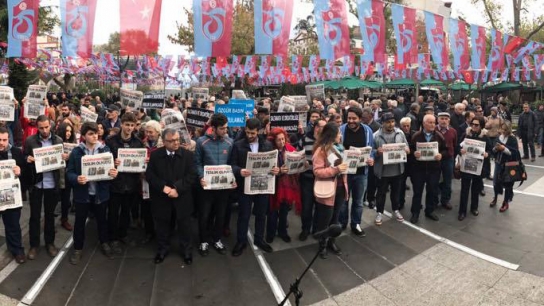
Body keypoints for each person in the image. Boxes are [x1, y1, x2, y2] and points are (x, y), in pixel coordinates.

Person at [67, 122, 118, 264]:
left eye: (95, 133)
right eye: (90, 133)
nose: (94, 136)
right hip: (82, 195)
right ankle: (78, 248)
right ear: (83, 136)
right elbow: (69, 172)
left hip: (100, 194)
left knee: (102, 220)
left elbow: (112, 170)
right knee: (79, 222)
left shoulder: (105, 150)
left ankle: (104, 243)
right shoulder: (77, 152)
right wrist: (77, 178)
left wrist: (114, 172)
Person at [146, 128, 196, 264]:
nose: (175, 143)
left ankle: (186, 251)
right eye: (171, 141)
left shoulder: (188, 155)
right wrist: (164, 187)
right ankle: (162, 249)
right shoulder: (156, 155)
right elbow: (150, 175)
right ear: (164, 141)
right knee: (162, 226)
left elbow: (191, 175)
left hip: (182, 198)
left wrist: (177, 189)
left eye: (177, 140)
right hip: (162, 198)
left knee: (185, 226)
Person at [230, 118, 280, 256]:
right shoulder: (238, 145)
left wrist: (275, 170)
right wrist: (240, 171)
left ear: (258, 131)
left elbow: (273, 164)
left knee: (261, 214)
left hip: (263, 186)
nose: (250, 136)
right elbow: (232, 164)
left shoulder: (268, 145)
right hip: (245, 186)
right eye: (247, 132)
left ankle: (259, 239)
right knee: (244, 215)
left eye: (252, 133)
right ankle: (241, 241)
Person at [24, 115, 67, 259]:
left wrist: (64, 159)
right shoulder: (30, 141)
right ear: (37, 127)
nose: (44, 130)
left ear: (51, 126)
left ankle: (50, 243)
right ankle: (34, 245)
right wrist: (27, 159)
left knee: (50, 215)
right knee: (34, 216)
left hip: (52, 184)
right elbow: (24, 158)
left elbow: (61, 165)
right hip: (36, 184)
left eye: (46, 127)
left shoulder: (58, 141)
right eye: (41, 128)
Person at [195, 113, 234, 256]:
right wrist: (201, 177)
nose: (226, 131)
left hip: (223, 188)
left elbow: (231, 164)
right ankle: (203, 241)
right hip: (206, 188)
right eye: (222, 128)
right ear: (214, 128)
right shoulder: (201, 142)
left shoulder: (230, 142)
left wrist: (232, 179)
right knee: (204, 215)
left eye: (226, 128)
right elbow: (197, 163)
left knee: (221, 215)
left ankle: (217, 239)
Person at [105, 112, 145, 254]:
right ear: (121, 124)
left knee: (126, 212)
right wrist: (112, 162)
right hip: (116, 184)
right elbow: (105, 161)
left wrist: (143, 162)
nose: (129, 128)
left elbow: (141, 164)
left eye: (132, 125)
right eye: (127, 125)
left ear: (135, 126)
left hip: (131, 184)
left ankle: (123, 234)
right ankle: (113, 237)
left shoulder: (138, 143)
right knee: (113, 212)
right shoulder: (111, 142)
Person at [312, 122, 348, 258]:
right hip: (326, 190)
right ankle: (322, 245)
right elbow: (317, 171)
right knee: (324, 220)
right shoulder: (321, 151)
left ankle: (332, 241)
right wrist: (336, 169)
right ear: (332, 135)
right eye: (339, 133)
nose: (341, 135)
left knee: (335, 218)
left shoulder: (340, 148)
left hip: (339, 188)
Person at [339, 107, 374, 236]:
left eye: (354, 118)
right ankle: (342, 222)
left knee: (358, 201)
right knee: (344, 200)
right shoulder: (341, 130)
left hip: (361, 173)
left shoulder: (367, 131)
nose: (351, 121)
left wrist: (372, 159)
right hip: (345, 173)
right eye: (349, 118)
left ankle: (356, 224)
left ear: (360, 119)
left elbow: (373, 149)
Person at [372, 113, 409, 225]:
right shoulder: (376, 135)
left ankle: (396, 210)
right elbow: (370, 152)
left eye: (392, 122)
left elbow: (406, 145)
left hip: (397, 169)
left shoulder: (400, 133)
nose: (391, 124)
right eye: (388, 122)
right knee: (381, 193)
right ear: (382, 123)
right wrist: (376, 152)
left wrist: (406, 149)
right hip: (382, 171)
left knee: (396, 192)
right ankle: (379, 212)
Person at [409, 114, 447, 224]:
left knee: (432, 190)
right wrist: (413, 153)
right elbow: (410, 149)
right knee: (417, 192)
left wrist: (441, 155)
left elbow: (445, 150)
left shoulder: (439, 136)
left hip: (433, 169)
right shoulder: (416, 136)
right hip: (419, 169)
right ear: (424, 123)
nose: (432, 125)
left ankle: (429, 211)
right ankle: (415, 213)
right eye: (430, 122)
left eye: (434, 122)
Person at [266, 128, 301, 244]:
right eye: (278, 140)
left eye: (283, 139)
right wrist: (278, 170)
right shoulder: (269, 151)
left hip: (287, 186)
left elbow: (297, 164)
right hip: (274, 185)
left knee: (284, 210)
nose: (281, 142)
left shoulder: (290, 149)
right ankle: (270, 233)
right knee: (272, 211)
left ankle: (282, 232)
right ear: (273, 141)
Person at [0, 127, 26, 264]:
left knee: (13, 225)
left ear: (8, 139)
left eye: (4, 140)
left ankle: (17, 250)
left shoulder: (16, 152)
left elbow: (27, 175)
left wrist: (20, 171)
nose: (1, 143)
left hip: (11, 196)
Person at [297, 118, 326, 241]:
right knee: (307, 206)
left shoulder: (326, 142)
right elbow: (297, 156)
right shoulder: (304, 140)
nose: (324, 130)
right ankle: (305, 229)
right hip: (307, 179)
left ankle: (316, 229)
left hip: (321, 179)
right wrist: (302, 163)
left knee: (319, 206)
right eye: (322, 127)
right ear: (316, 127)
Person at [458, 116, 490, 221]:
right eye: (472, 124)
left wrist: (487, 154)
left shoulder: (485, 137)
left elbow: (491, 150)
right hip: (466, 166)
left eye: (476, 125)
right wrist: (460, 150)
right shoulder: (466, 134)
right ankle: (462, 211)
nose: (474, 126)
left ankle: (474, 208)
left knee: (476, 189)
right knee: (464, 189)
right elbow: (458, 146)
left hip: (478, 167)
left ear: (481, 126)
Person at [140, 120, 163, 244]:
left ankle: (162, 232)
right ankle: (149, 232)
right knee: (146, 208)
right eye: (146, 131)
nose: (148, 134)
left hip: (159, 180)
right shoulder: (142, 143)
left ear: (158, 132)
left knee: (160, 209)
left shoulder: (164, 143)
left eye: (151, 132)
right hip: (144, 180)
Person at [491, 123, 518, 213]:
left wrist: (504, 149)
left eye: (506, 130)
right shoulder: (499, 137)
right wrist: (496, 148)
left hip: (508, 165)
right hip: (498, 163)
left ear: (509, 129)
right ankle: (495, 198)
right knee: (495, 182)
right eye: (502, 129)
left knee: (508, 184)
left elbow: (515, 154)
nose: (504, 131)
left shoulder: (513, 139)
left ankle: (505, 202)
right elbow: (493, 150)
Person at [435, 112, 457, 210]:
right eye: (442, 118)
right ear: (438, 119)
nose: (444, 121)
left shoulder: (453, 131)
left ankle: (445, 200)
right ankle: (434, 200)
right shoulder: (433, 130)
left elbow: (455, 144)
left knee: (448, 181)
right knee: (435, 180)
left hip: (448, 159)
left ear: (449, 120)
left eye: (446, 119)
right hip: (436, 159)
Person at [57, 122, 76, 231]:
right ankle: (48, 219)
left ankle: (64, 219)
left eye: (70, 131)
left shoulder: (74, 143)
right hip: (56, 175)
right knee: (53, 199)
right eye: (66, 131)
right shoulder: (56, 141)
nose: (68, 133)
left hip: (67, 175)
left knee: (66, 198)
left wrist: (70, 157)